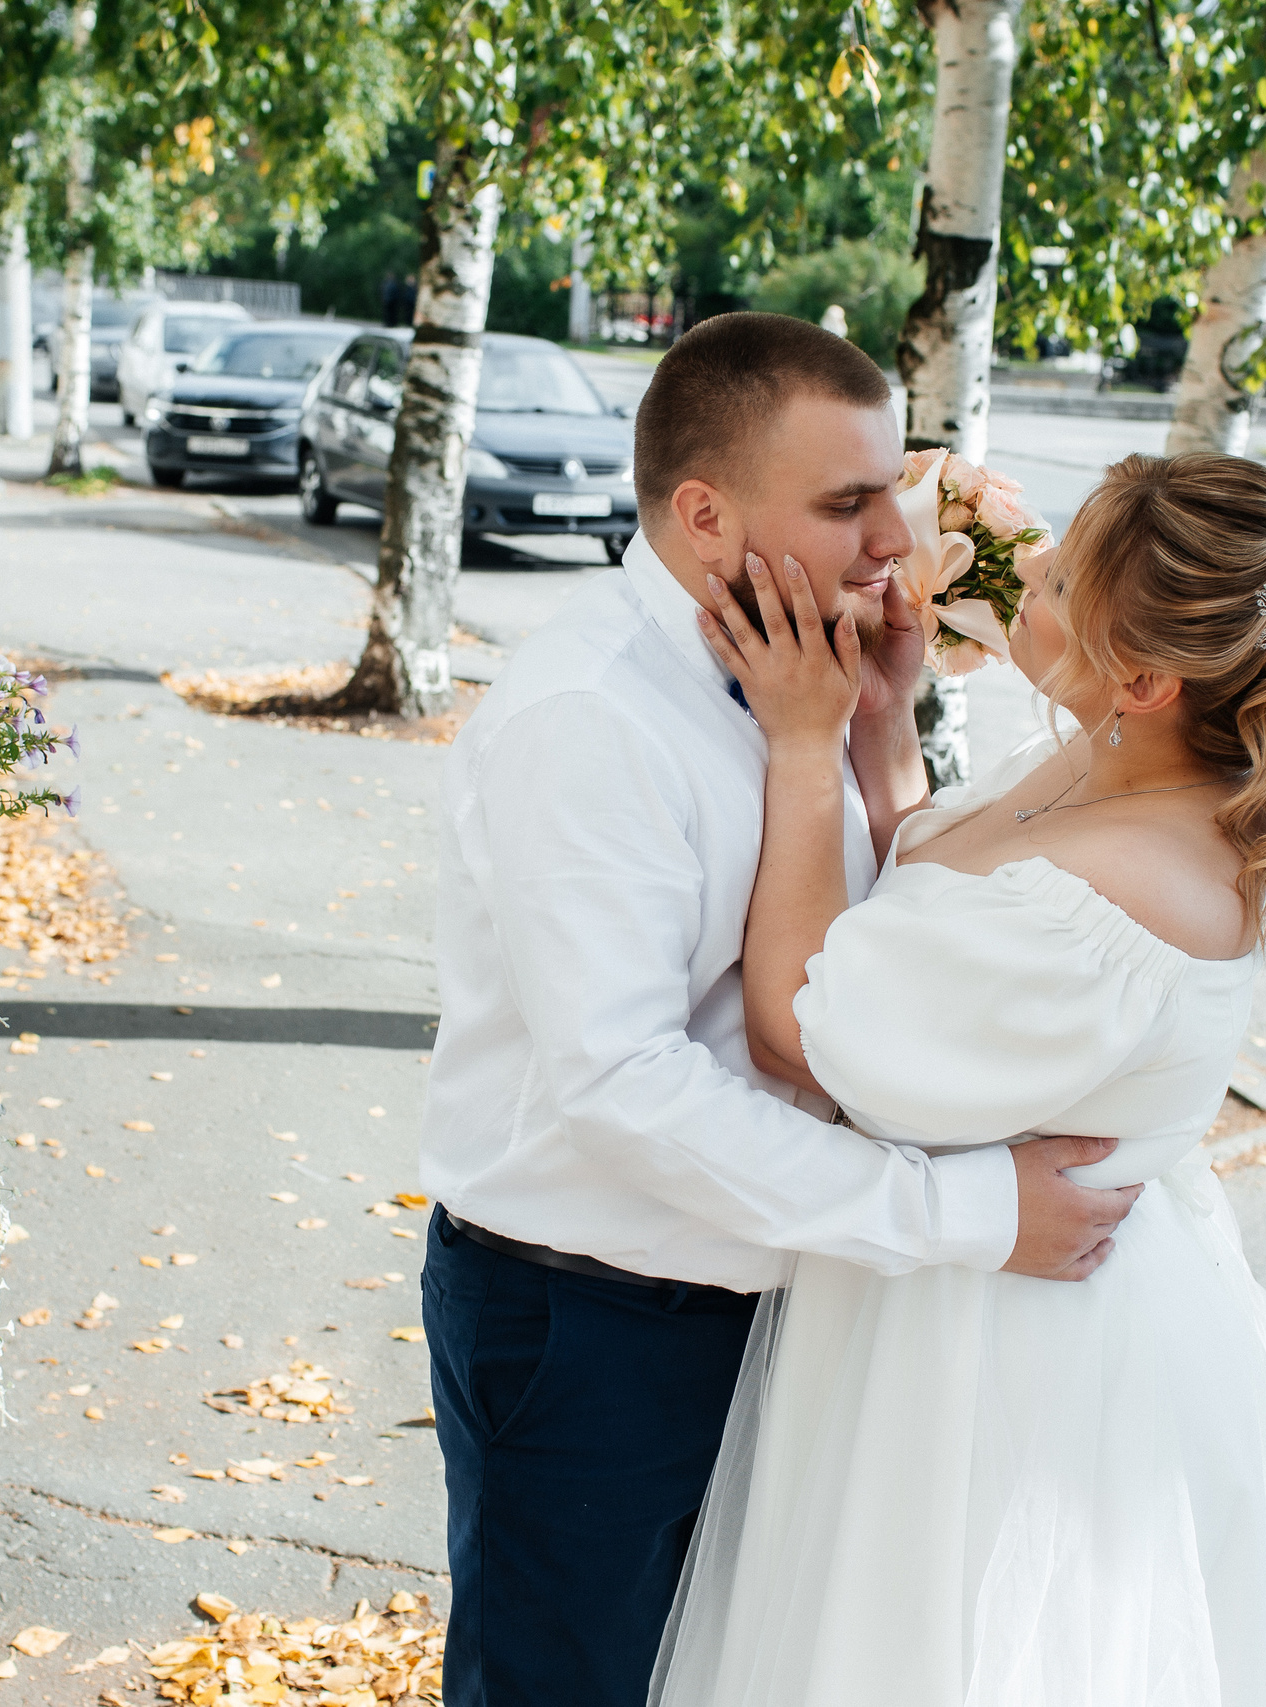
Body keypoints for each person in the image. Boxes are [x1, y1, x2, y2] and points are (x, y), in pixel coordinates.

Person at [417, 313, 1147, 1707]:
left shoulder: (809, 667)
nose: (898, 531)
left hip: (787, 1303)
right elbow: (626, 1084)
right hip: (598, 1325)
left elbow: (861, 972)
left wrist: (881, 727)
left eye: (894, 484)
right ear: (706, 515)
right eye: (848, 500)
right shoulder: (590, 719)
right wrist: (968, 1214)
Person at [652, 452, 1266, 1704]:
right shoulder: (1112, 766)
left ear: (1143, 678)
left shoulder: (1131, 889)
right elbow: (936, 912)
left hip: (1009, 1359)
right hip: (960, 1286)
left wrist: (800, 745)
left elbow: (809, 1023)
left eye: (1062, 577)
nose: (1026, 578)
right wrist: (878, 720)